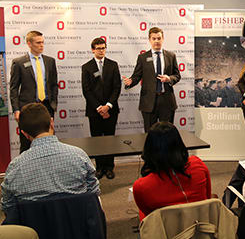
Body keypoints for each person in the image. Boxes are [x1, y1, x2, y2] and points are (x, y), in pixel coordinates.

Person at [1, 103, 100, 217]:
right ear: (52, 123)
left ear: (23, 133)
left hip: (36, 231)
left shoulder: (15, 167)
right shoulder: (79, 155)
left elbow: (8, 207)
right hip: (78, 227)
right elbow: (93, 193)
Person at [132, 121, 211, 220]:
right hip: (201, 228)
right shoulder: (198, 165)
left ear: (149, 148)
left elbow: (148, 217)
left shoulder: (141, 187)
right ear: (179, 143)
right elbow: (207, 198)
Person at [123, 27, 181, 131]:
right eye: (154, 38)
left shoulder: (171, 56)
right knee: (150, 133)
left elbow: (177, 75)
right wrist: (130, 81)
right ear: (149, 40)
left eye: (159, 38)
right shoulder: (142, 57)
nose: (156, 41)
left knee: (167, 133)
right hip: (148, 102)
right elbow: (136, 76)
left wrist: (169, 78)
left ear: (163, 39)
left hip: (167, 101)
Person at [9, 30, 58, 153]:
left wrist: (53, 104)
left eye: (43, 42)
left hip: (46, 106)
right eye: (38, 43)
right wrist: (16, 109)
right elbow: (14, 88)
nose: (42, 45)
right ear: (29, 44)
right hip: (27, 108)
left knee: (48, 143)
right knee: (26, 144)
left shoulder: (50, 61)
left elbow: (53, 85)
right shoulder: (19, 62)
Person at [81, 38, 121, 180]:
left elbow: (117, 87)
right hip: (94, 111)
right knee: (97, 140)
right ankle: (99, 168)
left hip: (111, 110)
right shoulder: (86, 67)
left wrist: (108, 106)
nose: (101, 50)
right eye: (98, 48)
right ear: (92, 49)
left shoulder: (113, 65)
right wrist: (99, 108)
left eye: (103, 48)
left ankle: (109, 167)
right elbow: (86, 91)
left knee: (110, 140)